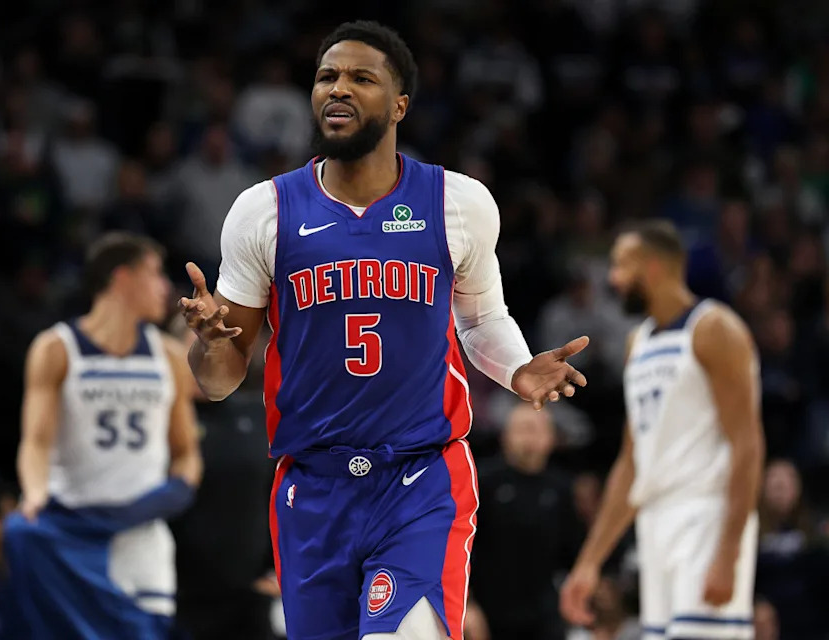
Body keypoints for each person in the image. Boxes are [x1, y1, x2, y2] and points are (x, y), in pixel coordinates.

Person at [179, 20, 589, 640]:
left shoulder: (459, 203)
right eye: (326, 77)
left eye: (360, 78)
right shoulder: (262, 211)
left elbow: (480, 319)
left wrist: (518, 368)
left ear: (399, 105)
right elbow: (217, 382)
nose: (337, 89)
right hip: (313, 487)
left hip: (420, 477)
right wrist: (213, 344)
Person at [560, 221, 764, 640]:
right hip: (655, 523)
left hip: (706, 515)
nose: (612, 280)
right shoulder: (639, 343)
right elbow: (633, 463)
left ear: (652, 268)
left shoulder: (714, 329)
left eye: (620, 266)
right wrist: (590, 561)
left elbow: (747, 445)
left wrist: (729, 550)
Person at [8, 232, 203, 639]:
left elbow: (186, 452)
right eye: (154, 273)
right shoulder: (56, 348)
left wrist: (180, 487)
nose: (165, 287)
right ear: (122, 278)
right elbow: (36, 442)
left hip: (139, 529)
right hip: (74, 524)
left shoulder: (167, 355)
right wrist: (34, 493)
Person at [471, 404, 581, 640]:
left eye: (536, 429)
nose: (529, 437)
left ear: (551, 438)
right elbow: (462, 549)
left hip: (544, 611)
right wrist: (468, 605)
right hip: (489, 609)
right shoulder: (482, 482)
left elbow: (573, 549)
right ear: (505, 437)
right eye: (522, 429)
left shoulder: (561, 487)